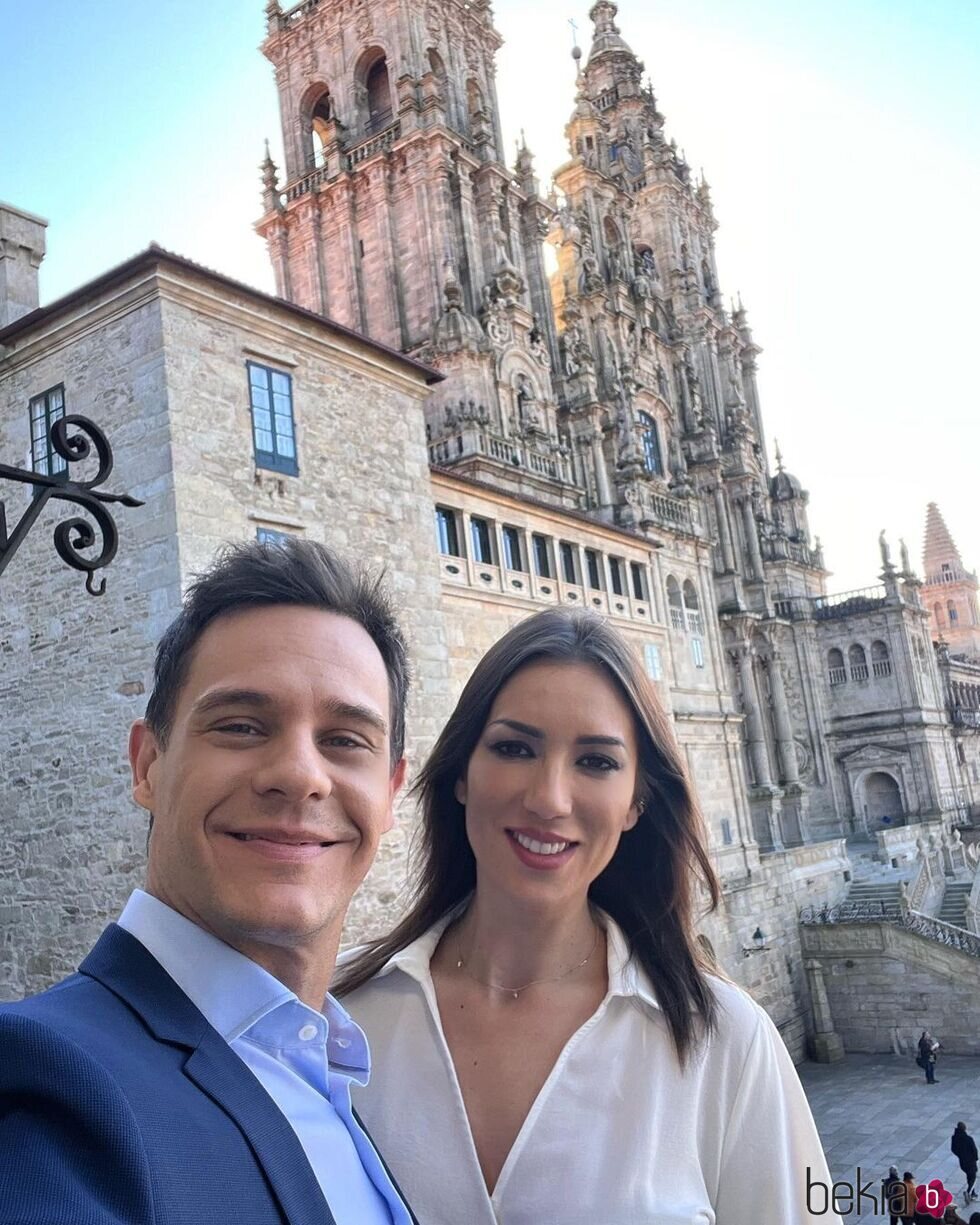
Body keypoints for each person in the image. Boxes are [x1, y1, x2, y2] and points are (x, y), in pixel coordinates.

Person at [336, 607, 840, 1224]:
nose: (549, 797)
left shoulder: (727, 1040)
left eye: (597, 761)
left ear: (637, 802)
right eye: (514, 748)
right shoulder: (333, 1019)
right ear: (462, 773)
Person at [0, 540, 416, 1224]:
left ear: (391, 793)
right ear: (148, 766)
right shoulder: (46, 1084)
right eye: (242, 726)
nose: (301, 775)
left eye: (345, 740)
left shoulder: (335, 1078)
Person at [953, 1122, 979, 1203]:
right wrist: (976, 1158)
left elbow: (953, 1149)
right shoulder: (968, 1139)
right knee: (973, 1178)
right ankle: (968, 1192)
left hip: (963, 1162)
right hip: (971, 1162)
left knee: (969, 1176)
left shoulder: (954, 1138)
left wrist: (960, 1155)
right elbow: (974, 1150)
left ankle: (973, 1193)